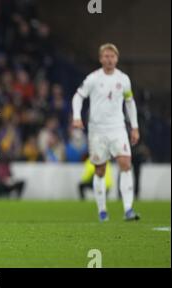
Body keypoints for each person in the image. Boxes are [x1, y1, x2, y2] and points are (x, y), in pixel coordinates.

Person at [72, 43, 141, 222]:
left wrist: (134, 126)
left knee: (125, 163)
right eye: (106, 56)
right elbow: (78, 96)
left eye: (112, 56)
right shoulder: (93, 78)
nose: (109, 59)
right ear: (101, 58)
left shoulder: (124, 79)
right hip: (97, 130)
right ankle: (102, 211)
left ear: (117, 59)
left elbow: (129, 102)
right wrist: (76, 117)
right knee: (100, 170)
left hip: (118, 128)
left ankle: (128, 209)